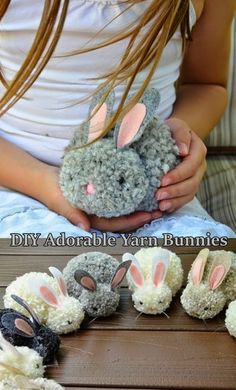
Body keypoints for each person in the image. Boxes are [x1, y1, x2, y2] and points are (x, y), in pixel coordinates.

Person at [0, 0, 235, 237]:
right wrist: (47, 185)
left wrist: (179, 138)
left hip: (150, 200)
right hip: (20, 189)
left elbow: (207, 85)